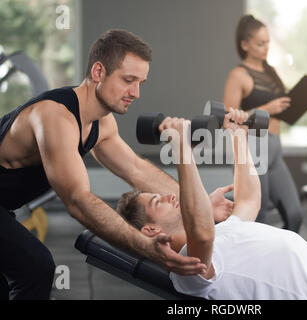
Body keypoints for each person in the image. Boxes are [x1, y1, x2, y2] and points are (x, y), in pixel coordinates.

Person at [0, 29, 233, 300]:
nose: (135, 93)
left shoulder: (101, 122)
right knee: (36, 267)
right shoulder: (54, 117)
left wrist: (201, 205)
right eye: (128, 80)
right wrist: (147, 247)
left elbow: (136, 170)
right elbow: (78, 200)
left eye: (140, 83)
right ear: (99, 72)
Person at [117, 109, 307, 300]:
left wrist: (238, 136)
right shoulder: (190, 266)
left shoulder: (221, 233)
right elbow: (200, 230)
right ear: (150, 229)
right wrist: (181, 145)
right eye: (158, 200)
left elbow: (250, 198)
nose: (170, 196)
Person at [223, 14, 302, 231]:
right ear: (245, 45)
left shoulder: (271, 71)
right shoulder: (238, 76)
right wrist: (266, 109)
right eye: (260, 43)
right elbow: (228, 119)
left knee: (294, 214)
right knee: (259, 219)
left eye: (267, 42)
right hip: (254, 147)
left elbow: (281, 105)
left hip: (275, 146)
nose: (266, 47)